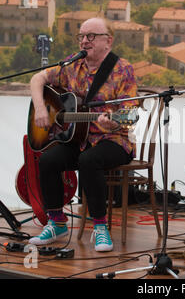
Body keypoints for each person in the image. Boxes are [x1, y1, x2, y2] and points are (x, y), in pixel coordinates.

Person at [28, 17, 138, 252]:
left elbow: (130, 114)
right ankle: (56, 221)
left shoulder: (122, 70)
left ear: (108, 41)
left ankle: (100, 227)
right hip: (78, 139)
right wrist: (40, 108)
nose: (84, 41)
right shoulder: (72, 65)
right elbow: (37, 78)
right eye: (81, 36)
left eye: (91, 36)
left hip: (113, 139)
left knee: (89, 160)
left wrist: (113, 124)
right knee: (47, 159)